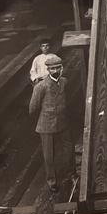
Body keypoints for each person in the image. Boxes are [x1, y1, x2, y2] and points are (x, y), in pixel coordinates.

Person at [29, 54, 73, 192]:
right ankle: (52, 181)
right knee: (49, 155)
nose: (55, 71)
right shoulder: (41, 86)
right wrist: (43, 118)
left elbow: (68, 99)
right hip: (46, 125)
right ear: (48, 70)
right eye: (52, 68)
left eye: (57, 68)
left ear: (61, 68)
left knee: (69, 150)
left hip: (63, 122)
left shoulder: (65, 82)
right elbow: (33, 108)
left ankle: (72, 175)